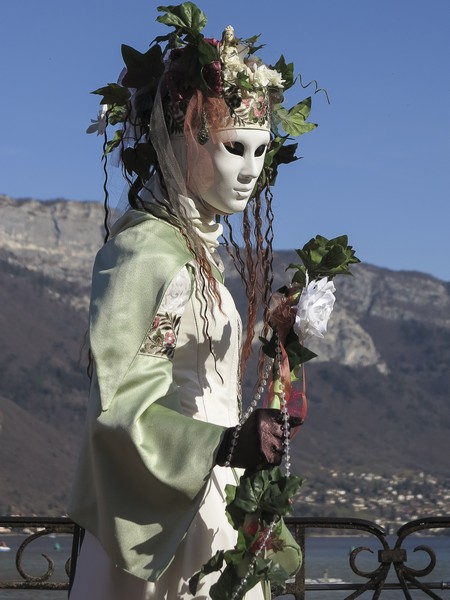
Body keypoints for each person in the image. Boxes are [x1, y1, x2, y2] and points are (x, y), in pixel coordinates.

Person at [68, 3, 316, 599]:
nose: (251, 171)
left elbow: (188, 355)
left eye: (261, 152)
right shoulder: (146, 255)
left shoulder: (195, 250)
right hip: (166, 515)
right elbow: (122, 403)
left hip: (213, 502)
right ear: (181, 138)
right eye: (234, 148)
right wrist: (227, 443)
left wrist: (271, 337)